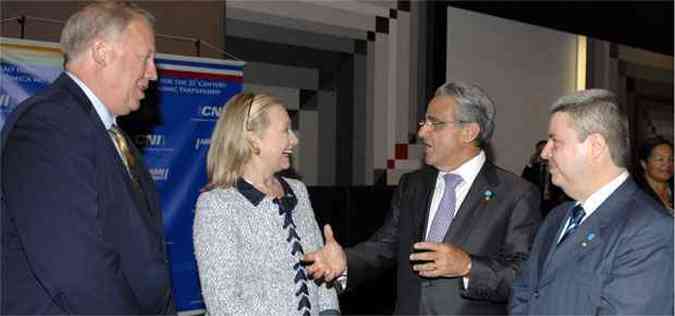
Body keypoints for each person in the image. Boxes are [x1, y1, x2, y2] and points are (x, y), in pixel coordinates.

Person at [304, 82, 542, 315]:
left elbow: (523, 277)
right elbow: (384, 246)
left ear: (469, 132)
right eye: (423, 122)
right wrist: (345, 261)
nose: (421, 132)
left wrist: (468, 267)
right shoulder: (413, 185)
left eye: (434, 124)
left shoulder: (516, 194)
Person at [1, 2, 175, 314]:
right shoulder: (48, 124)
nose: (153, 73)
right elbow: (75, 267)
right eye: (146, 57)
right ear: (101, 52)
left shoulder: (117, 139)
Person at [510, 89, 674, 315]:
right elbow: (524, 292)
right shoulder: (557, 217)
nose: (545, 153)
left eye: (555, 141)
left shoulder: (651, 230)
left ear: (596, 146)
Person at [193, 93, 340, 315]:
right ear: (253, 139)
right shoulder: (216, 204)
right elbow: (223, 304)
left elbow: (320, 274)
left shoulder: (297, 190)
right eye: (285, 130)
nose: (294, 139)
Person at [522, 140, 567, 216]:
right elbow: (524, 181)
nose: (543, 153)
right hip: (536, 200)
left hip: (553, 202)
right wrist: (530, 164)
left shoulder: (556, 166)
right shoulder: (534, 167)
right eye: (540, 150)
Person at [635, 136, 674, 211]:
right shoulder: (637, 193)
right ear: (644, 164)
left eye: (671, 159)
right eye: (660, 159)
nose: (668, 164)